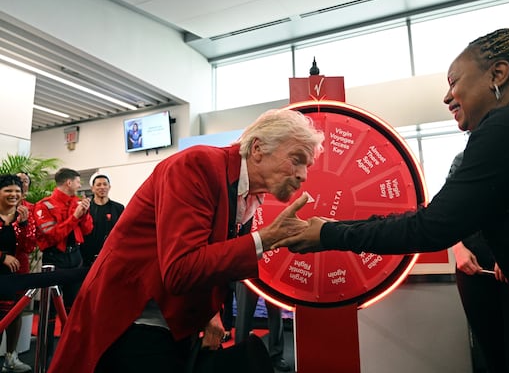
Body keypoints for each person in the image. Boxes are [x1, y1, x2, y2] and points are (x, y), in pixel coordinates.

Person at [275, 26, 509, 372]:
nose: (447, 97)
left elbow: (431, 227)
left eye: (454, 81)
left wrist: (327, 233)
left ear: (498, 74)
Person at [47, 108, 324, 373]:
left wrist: (210, 313)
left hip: (172, 320)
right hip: (129, 320)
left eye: (307, 165)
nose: (303, 175)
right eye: (296, 159)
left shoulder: (248, 193)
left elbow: (210, 258)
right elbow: (181, 269)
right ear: (257, 149)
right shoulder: (196, 165)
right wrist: (266, 238)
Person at [448, 152, 509, 373]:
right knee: (491, 356)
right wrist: (458, 249)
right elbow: (449, 210)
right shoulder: (463, 159)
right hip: (473, 268)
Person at [34, 168, 93, 366]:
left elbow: (88, 230)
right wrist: (75, 216)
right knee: (50, 312)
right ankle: (47, 357)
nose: (79, 185)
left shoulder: (77, 202)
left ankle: (73, 356)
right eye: (78, 182)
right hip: (54, 261)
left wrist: (83, 214)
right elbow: (51, 236)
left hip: (75, 258)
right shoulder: (44, 205)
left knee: (74, 309)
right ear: (68, 182)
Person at [0, 175, 37, 373]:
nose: (14, 194)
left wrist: (23, 225)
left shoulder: (24, 215)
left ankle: (10, 358)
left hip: (17, 274)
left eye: (17, 191)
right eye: (8, 190)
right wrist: (2, 257)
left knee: (14, 314)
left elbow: (30, 246)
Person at [235, 283, 290, 371]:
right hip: (248, 275)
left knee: (276, 313)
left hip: (271, 276)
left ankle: (276, 355)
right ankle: (240, 356)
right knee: (243, 316)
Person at [80, 172, 124, 267]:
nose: (102, 187)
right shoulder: (86, 208)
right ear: (92, 188)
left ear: (109, 187)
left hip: (112, 256)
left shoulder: (118, 208)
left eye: (105, 184)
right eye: (98, 185)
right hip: (88, 258)